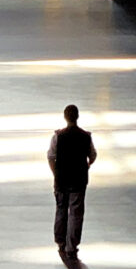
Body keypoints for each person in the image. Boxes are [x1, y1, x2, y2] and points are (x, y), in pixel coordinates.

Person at [48, 104, 97, 256]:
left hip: (61, 179)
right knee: (76, 213)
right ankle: (72, 247)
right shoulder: (85, 136)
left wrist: (55, 172)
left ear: (65, 117)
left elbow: (50, 156)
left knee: (61, 210)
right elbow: (93, 155)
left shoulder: (58, 136)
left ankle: (60, 242)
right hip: (78, 180)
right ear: (77, 117)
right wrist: (87, 165)